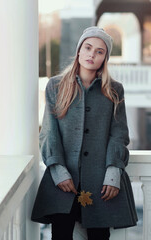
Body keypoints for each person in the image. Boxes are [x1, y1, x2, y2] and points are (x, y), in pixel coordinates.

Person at [31, 26, 138, 240]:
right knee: (60, 234)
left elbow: (119, 134)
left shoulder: (114, 90)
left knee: (100, 236)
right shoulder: (56, 86)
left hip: (101, 184)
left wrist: (113, 172)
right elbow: (49, 133)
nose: (92, 54)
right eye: (88, 47)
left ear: (105, 58)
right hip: (63, 182)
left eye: (99, 51)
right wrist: (58, 170)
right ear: (79, 50)